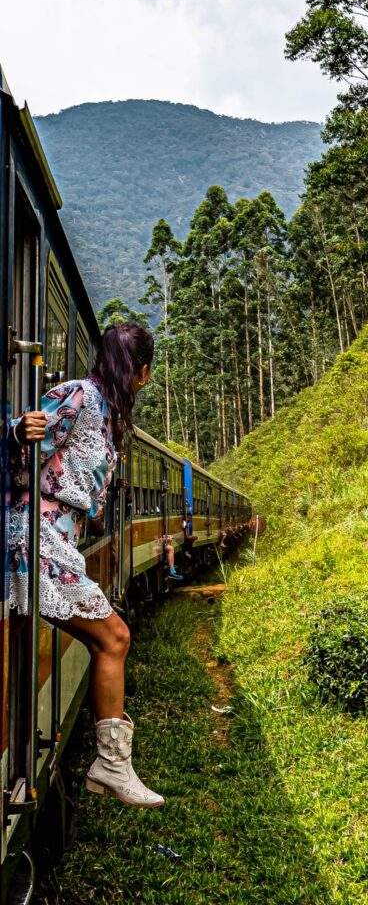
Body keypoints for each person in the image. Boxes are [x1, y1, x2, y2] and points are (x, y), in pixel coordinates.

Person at [8, 322, 164, 809]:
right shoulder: (77, 395)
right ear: (140, 371)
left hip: (57, 536)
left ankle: (111, 766)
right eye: (145, 371)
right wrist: (16, 431)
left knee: (107, 638)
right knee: (114, 637)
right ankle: (112, 766)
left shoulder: (105, 410)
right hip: (34, 536)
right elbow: (24, 451)